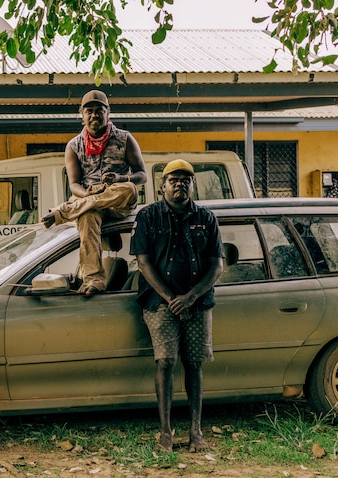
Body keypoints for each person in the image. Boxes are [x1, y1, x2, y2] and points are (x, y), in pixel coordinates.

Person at [130, 159, 223, 453]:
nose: (180, 184)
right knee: (166, 362)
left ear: (193, 185)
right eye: (174, 179)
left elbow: (216, 266)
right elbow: (143, 263)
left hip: (197, 302)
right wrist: (173, 299)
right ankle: (166, 433)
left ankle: (196, 431)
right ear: (162, 185)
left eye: (186, 180)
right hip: (161, 302)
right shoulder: (148, 217)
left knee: (194, 364)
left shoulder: (207, 219)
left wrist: (191, 297)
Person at [42, 90, 147, 296]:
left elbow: (142, 175)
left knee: (129, 189)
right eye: (89, 111)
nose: (94, 115)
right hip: (87, 199)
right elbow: (74, 184)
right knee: (87, 215)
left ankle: (64, 211)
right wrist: (89, 196)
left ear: (108, 113)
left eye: (99, 110)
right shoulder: (74, 146)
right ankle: (93, 280)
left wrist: (119, 179)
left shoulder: (125, 139)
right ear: (81, 114)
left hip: (118, 200)